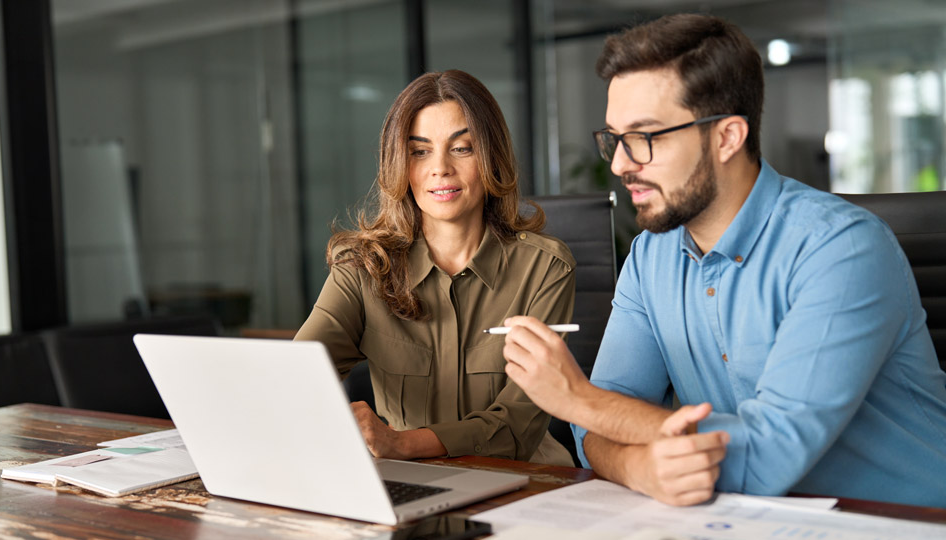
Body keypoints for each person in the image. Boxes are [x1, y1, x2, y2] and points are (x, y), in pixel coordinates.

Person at [501, 13, 946, 507]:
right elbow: (597, 432)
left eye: (645, 137)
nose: (621, 164)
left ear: (727, 137)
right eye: (614, 138)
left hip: (903, 523)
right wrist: (637, 466)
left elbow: (765, 458)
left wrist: (578, 399)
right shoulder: (652, 257)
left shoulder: (842, 249)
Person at [295, 69, 576, 466]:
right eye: (419, 151)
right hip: (408, 483)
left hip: (525, 481)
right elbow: (297, 374)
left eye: (462, 148)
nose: (440, 168)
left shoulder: (544, 268)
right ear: (399, 163)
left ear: (491, 156)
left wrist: (402, 444)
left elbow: (518, 422)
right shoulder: (361, 269)